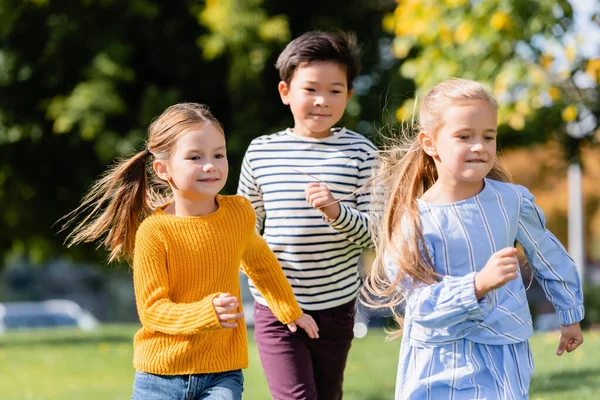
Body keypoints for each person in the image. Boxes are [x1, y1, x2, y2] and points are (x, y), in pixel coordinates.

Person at [61, 103, 318, 400]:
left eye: (218, 155)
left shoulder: (238, 214)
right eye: (195, 157)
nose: (211, 165)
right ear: (163, 169)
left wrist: (289, 311)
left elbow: (260, 262)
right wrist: (206, 313)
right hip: (159, 376)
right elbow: (153, 311)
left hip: (222, 373)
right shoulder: (154, 233)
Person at [363, 78, 585, 400]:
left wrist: (570, 315)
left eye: (488, 136)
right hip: (439, 358)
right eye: (464, 136)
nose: (479, 146)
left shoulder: (512, 201)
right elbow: (420, 304)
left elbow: (550, 256)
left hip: (504, 350)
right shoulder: (415, 220)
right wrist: (478, 284)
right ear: (430, 143)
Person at [237, 31, 379, 400]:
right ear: (285, 92)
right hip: (277, 306)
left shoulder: (361, 153)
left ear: (349, 95)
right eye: (310, 89)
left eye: (335, 91)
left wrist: (336, 211)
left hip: (337, 305)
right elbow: (242, 231)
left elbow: (376, 234)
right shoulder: (262, 152)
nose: (322, 100)